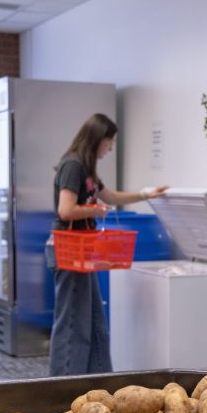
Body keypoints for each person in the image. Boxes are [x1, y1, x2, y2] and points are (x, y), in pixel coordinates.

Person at [46, 113, 168, 376]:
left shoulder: (87, 169)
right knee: (72, 324)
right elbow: (65, 210)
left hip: (83, 252)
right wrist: (94, 210)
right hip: (68, 250)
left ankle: (98, 381)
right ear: (97, 139)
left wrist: (147, 194)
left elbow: (110, 196)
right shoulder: (73, 166)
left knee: (94, 322)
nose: (110, 148)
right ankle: (62, 385)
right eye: (109, 141)